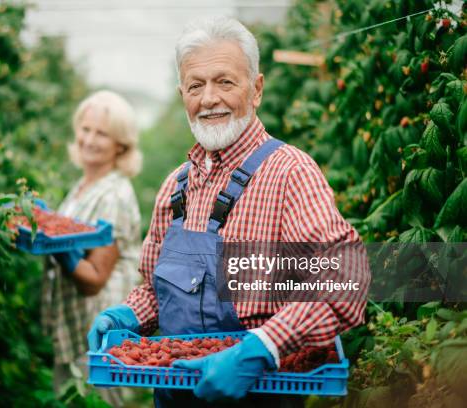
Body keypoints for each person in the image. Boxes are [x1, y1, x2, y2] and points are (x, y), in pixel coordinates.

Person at [87, 17, 369, 407]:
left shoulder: (289, 173)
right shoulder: (175, 187)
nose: (208, 99)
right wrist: (126, 316)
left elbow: (346, 278)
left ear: (256, 89)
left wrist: (259, 348)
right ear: (182, 94)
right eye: (195, 86)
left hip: (261, 393)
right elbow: (158, 290)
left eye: (225, 82)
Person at [41, 90, 142, 404]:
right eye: (86, 129)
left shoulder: (114, 195)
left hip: (99, 333)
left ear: (120, 145)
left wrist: (57, 247)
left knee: (96, 401)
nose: (89, 139)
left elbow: (95, 279)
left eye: (102, 133)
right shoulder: (84, 185)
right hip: (75, 324)